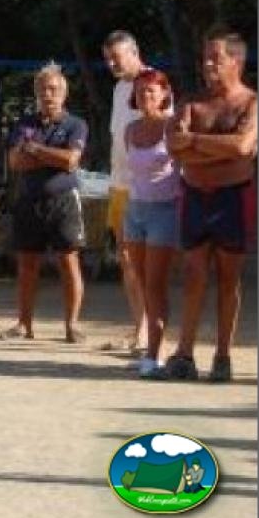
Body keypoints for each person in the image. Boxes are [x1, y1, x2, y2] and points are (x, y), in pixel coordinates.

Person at [166, 27, 257, 382]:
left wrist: (196, 144)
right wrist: (216, 149)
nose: (207, 65)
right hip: (195, 198)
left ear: (236, 61)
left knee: (228, 278)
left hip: (233, 197)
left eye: (215, 58)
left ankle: (223, 355)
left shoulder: (252, 103)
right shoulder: (192, 101)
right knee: (192, 274)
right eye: (204, 58)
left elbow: (243, 149)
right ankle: (184, 353)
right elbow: (175, 147)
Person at [0, 63, 88, 343]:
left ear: (64, 93)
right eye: (42, 90)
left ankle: (72, 325)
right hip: (29, 201)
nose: (47, 95)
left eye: (53, 89)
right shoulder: (24, 124)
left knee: (68, 262)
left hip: (63, 202)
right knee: (27, 264)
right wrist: (53, 157)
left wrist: (36, 150)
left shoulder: (76, 124)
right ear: (36, 93)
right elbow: (15, 161)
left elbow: (71, 161)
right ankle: (24, 324)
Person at [122, 70, 181, 378]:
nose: (145, 96)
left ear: (164, 94)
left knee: (157, 284)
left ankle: (156, 354)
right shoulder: (130, 129)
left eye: (151, 91)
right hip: (135, 210)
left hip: (164, 210)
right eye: (141, 91)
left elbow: (185, 169)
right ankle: (151, 348)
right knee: (142, 283)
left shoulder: (174, 127)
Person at [102, 30, 150, 353]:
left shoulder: (156, 86)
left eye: (116, 58)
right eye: (107, 58)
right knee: (126, 260)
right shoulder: (120, 89)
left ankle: (150, 333)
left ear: (134, 52)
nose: (111, 64)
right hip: (119, 186)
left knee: (144, 261)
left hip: (145, 189)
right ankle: (139, 330)